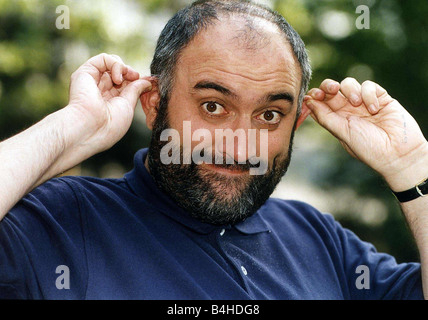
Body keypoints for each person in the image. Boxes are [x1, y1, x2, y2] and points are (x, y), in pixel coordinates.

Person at [0, 0, 427, 300]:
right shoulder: (57, 224)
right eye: (213, 106)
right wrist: (74, 128)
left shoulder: (319, 238)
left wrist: (412, 165)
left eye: (269, 115)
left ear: (298, 122)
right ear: (153, 105)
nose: (241, 146)